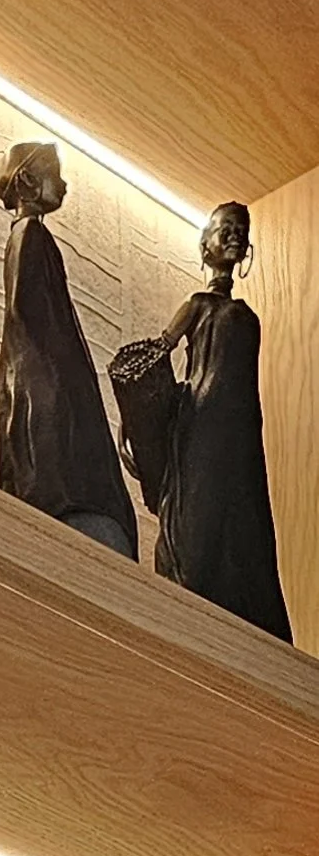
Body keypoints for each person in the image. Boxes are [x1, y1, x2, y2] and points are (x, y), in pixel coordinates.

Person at [113, 203, 292, 638]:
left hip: (243, 437)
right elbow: (158, 351)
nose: (234, 236)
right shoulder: (197, 305)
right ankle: (191, 595)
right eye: (225, 229)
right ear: (204, 245)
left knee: (246, 521)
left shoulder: (247, 315)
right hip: (201, 429)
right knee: (201, 521)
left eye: (240, 231)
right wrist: (136, 422)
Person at [0, 141, 136, 557]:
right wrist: (63, 395)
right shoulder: (29, 236)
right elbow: (33, 323)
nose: (66, 184)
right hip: (50, 391)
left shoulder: (33, 236)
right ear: (27, 180)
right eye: (55, 173)